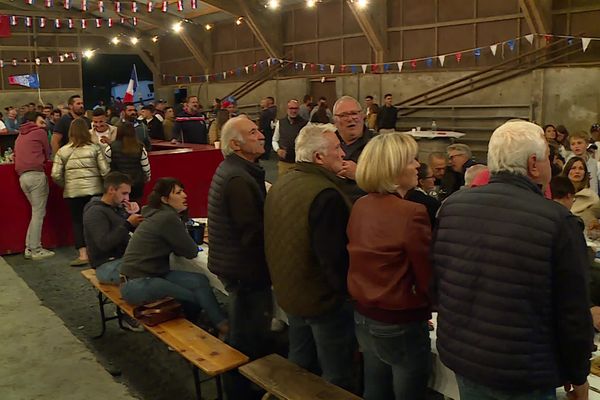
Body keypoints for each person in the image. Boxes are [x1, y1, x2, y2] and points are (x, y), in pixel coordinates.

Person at [433, 120, 593, 400]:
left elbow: (442, 282)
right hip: (522, 369)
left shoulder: (452, 208)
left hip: (466, 357)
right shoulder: (558, 221)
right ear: (534, 164)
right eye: (546, 158)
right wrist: (578, 373)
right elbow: (573, 312)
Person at [264, 123, 356, 391]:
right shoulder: (324, 194)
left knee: (299, 362)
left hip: (290, 292)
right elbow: (333, 259)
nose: (342, 153)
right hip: (322, 301)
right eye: (337, 148)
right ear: (318, 157)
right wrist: (346, 294)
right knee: (336, 374)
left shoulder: (283, 183)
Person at [348, 133, 432, 400]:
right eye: (411, 160)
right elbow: (427, 274)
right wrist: (429, 304)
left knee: (375, 385)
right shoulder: (411, 212)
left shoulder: (361, 205)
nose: (418, 165)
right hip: (399, 319)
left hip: (364, 314)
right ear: (394, 169)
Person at [207, 115, 273, 399]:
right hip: (245, 271)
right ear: (236, 144)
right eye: (254, 132)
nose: (261, 135)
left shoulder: (239, 171)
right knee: (247, 337)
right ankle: (240, 390)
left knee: (245, 331)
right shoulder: (238, 177)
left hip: (236, 266)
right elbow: (252, 232)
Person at [119, 178, 229, 337]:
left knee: (199, 281)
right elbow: (191, 251)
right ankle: (209, 329)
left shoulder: (158, 214)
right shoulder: (167, 218)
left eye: (183, 191)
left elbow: (180, 248)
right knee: (194, 297)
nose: (184, 195)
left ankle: (214, 324)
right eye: (178, 193)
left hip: (150, 275)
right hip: (137, 282)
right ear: (164, 199)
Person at [51, 118, 109, 266]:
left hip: (73, 193)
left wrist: (67, 185)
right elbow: (105, 171)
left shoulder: (63, 151)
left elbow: (55, 174)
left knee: (77, 222)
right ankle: (100, 252)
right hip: (95, 191)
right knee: (98, 221)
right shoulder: (95, 148)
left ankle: (83, 255)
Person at [83, 172, 143, 285]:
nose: (127, 198)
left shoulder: (117, 208)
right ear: (111, 190)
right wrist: (128, 223)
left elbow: (132, 234)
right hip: (106, 265)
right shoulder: (95, 212)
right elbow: (104, 244)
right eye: (124, 193)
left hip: (124, 258)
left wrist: (134, 214)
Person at [14, 111, 54, 260]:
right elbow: (48, 151)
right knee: (39, 213)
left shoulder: (20, 135)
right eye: (41, 121)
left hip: (22, 177)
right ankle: (36, 249)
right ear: (33, 122)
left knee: (35, 212)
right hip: (36, 175)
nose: (44, 125)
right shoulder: (40, 132)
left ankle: (29, 248)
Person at [332, 95, 376, 202]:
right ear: (335, 120)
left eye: (354, 113)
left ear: (362, 116)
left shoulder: (378, 145)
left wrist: (359, 174)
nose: (350, 118)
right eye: (344, 115)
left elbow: (393, 182)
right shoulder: (326, 143)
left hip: (365, 209)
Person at [104, 122, 151, 203]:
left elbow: (107, 166)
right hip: (137, 183)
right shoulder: (140, 147)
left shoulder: (110, 148)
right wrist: (148, 177)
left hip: (118, 184)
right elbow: (146, 166)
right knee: (135, 207)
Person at [562, 156, 600, 228]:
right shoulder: (558, 193)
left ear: (585, 173)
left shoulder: (592, 197)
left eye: (581, 168)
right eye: (573, 168)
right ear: (567, 171)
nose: (577, 171)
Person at [272, 99, 308, 176]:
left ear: (298, 109)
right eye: (291, 108)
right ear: (287, 109)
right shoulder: (280, 123)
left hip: (299, 163)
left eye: (295, 108)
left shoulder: (305, 124)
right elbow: (274, 140)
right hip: (284, 163)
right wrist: (278, 150)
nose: (293, 111)